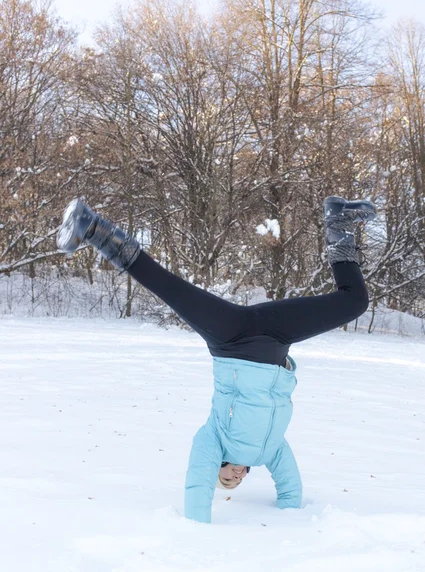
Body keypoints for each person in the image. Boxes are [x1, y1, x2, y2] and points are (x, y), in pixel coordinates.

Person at [57, 195, 376, 523]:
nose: (234, 478)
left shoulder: (214, 439)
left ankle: (90, 226)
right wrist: (290, 520)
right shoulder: (271, 451)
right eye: (237, 481)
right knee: (354, 303)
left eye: (225, 478)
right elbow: (290, 486)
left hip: (231, 339)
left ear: (219, 466)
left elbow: (198, 480)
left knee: (168, 287)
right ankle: (338, 223)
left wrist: (198, 531)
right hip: (276, 339)